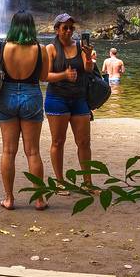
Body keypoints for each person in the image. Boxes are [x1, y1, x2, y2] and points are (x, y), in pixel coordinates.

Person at [0, 11, 47, 210]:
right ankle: (39, 199)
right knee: (33, 151)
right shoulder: (41, 49)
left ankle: (9, 198)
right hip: (31, 95)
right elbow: (44, 76)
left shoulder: (2, 48)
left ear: (13, 26)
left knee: (8, 150)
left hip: (7, 96)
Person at [43, 13, 96, 185]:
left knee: (84, 142)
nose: (68, 31)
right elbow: (44, 76)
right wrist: (64, 75)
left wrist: (88, 56)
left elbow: (88, 69)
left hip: (79, 99)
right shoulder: (50, 49)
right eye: (65, 27)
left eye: (71, 28)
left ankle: (88, 183)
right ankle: (60, 181)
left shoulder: (80, 46)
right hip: (57, 98)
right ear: (57, 29)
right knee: (58, 142)